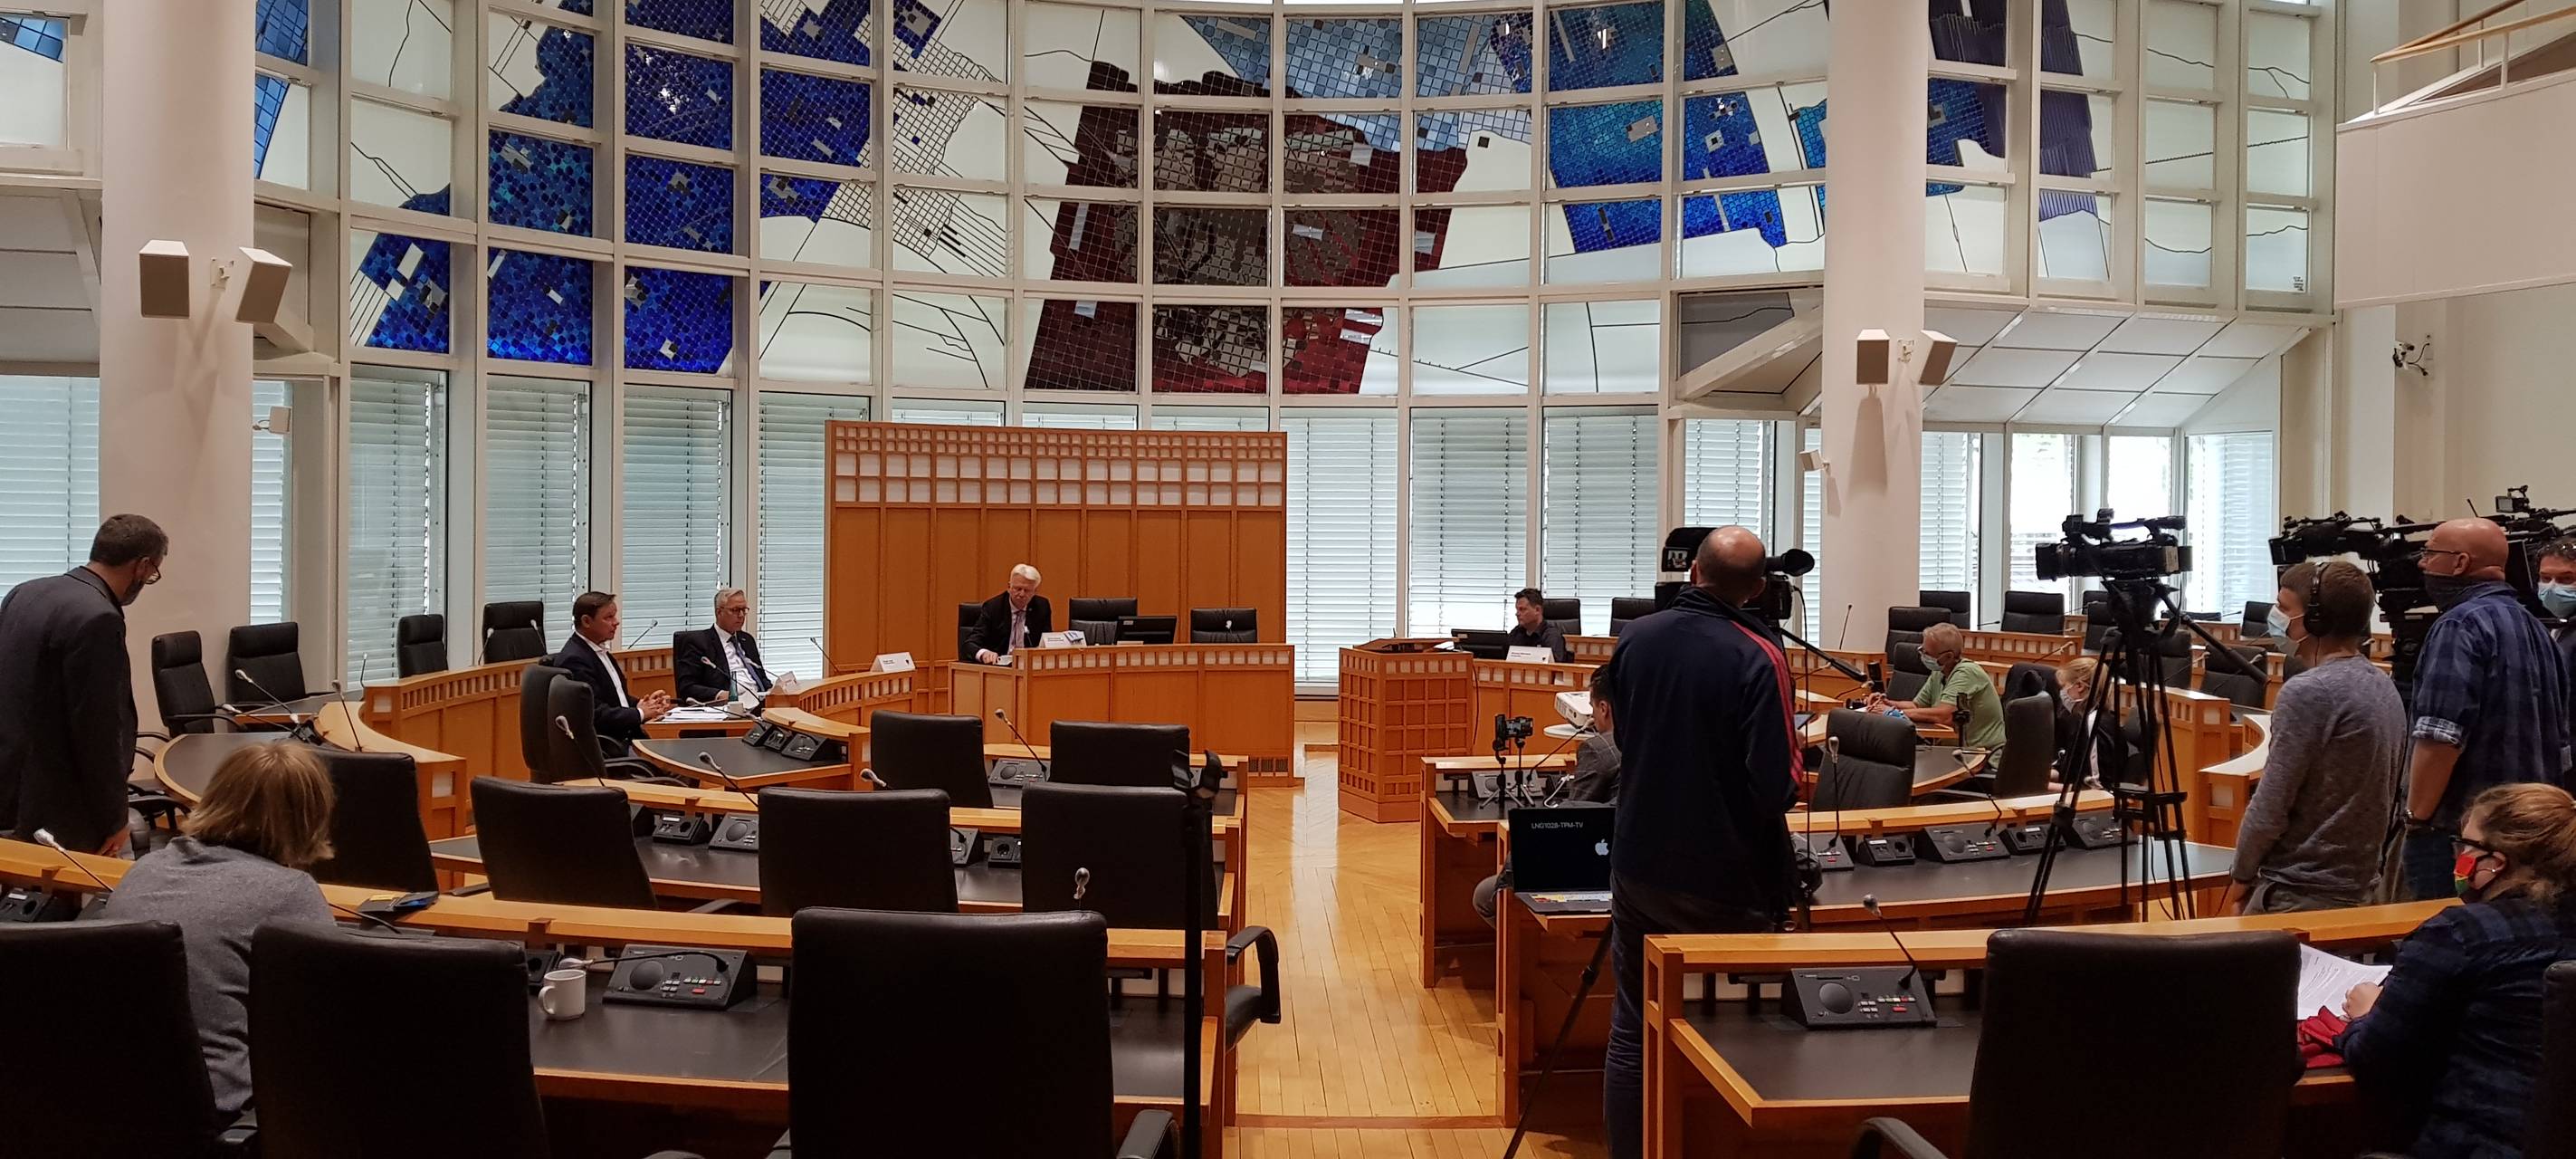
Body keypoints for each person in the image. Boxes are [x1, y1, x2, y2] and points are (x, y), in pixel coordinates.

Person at [1597, 526, 1800, 1159]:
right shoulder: (1758, 654)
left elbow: (1623, 739)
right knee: (1735, 1033)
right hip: (1725, 878)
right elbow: (1776, 789)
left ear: (1693, 575)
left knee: (1633, 1028)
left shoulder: (1638, 637)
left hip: (1638, 864)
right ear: (1760, 589)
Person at [91, 741, 337, 1118]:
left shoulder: (145, 869)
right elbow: (325, 1018)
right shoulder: (291, 892)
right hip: (225, 1113)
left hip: (114, 1104)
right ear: (310, 817)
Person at [2339, 782, 2576, 1158]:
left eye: (2467, 845)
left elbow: (2375, 1059)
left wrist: (2365, 1016)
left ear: (2496, 862)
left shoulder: (2461, 934)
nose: (2460, 856)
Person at [2400, 517, 2571, 900]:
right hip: (2528, 836)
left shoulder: (2459, 626)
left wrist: (2417, 820)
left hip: (2460, 839)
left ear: (2460, 563)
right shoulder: (2537, 629)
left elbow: (2439, 738)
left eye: (2430, 553)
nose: (2422, 563)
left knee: (2443, 940)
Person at [2225, 561, 2406, 914]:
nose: (2275, 615)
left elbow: (2271, 805)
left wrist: (2241, 876)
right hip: (2360, 884)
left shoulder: (2310, 692)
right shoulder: (2383, 684)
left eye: (2284, 607)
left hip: (2298, 890)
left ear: (2316, 620)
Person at [0, 513, 166, 855]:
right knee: (62, 903)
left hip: (9, 785)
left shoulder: (24, 593)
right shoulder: (98, 617)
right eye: (153, 573)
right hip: (59, 805)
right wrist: (113, 816)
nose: (149, 579)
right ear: (142, 565)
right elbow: (97, 730)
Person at [1472, 669, 1621, 924]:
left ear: (1604, 708)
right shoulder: (1662, 744)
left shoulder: (1598, 749)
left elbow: (1572, 820)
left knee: (1486, 894)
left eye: (1593, 710)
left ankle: (1521, 956)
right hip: (1650, 873)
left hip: (1598, 873)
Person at [551, 591, 673, 754]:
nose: (616, 622)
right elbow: (595, 714)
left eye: (614, 616)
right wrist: (641, 713)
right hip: (609, 746)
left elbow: (615, 698)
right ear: (587, 621)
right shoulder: (575, 660)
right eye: (608, 618)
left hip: (626, 738)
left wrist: (643, 704)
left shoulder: (598, 650)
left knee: (684, 760)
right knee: (682, 765)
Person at [1870, 622, 2007, 753]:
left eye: (1927, 653)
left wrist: (1893, 713)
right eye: (1921, 650)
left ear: (1948, 656)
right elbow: (1917, 705)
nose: (1922, 656)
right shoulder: (1939, 672)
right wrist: (1888, 703)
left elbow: (1944, 716)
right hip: (1952, 751)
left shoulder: (1967, 673)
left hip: (1980, 754)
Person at [673, 587, 770, 704]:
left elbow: (762, 678)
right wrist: (720, 694)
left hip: (759, 703)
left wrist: (773, 690)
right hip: (728, 706)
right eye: (735, 610)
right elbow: (687, 688)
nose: (741, 615)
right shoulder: (698, 643)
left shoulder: (747, 640)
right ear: (719, 612)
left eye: (744, 610)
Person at [969, 564, 1052, 664]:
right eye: (1018, 589)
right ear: (1009, 587)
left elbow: (1047, 641)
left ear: (1034, 591)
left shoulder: (1042, 607)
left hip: (1029, 666)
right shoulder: (993, 607)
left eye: (1027, 590)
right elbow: (970, 644)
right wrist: (984, 654)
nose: (1022, 594)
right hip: (999, 667)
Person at [1506, 588, 1574, 662]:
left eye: (1522, 609)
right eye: (1517, 609)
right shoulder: (1516, 633)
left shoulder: (1551, 636)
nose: (1517, 614)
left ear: (1537, 610)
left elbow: (1554, 667)